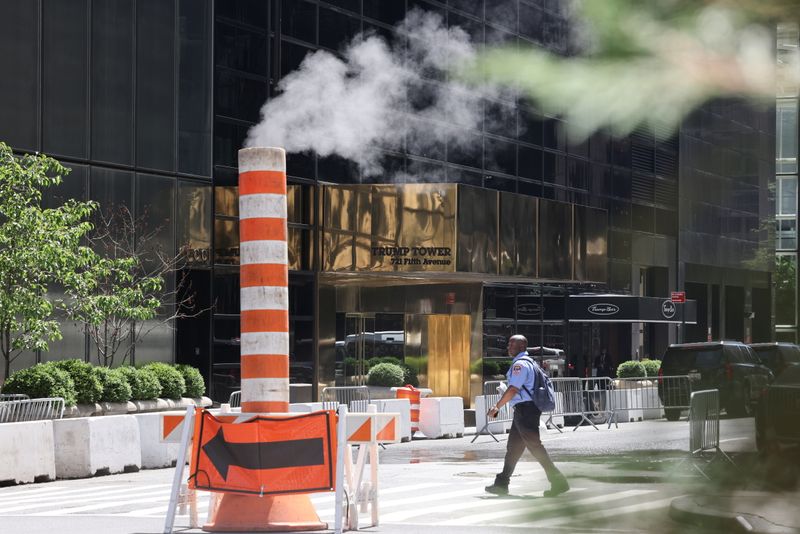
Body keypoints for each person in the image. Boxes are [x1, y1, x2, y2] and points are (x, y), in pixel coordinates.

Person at [485, 335, 570, 497]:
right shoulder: (529, 363)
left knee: (535, 447)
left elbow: (513, 389)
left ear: (522, 346)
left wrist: (497, 406)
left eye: (512, 344)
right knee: (513, 449)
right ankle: (501, 484)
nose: (508, 347)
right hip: (524, 410)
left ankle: (559, 481)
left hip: (526, 410)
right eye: (509, 343)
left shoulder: (521, 365)